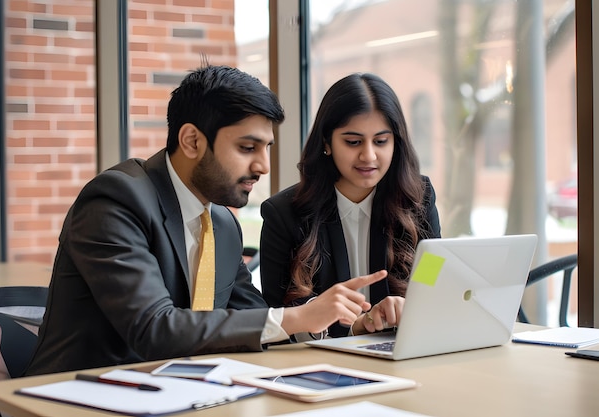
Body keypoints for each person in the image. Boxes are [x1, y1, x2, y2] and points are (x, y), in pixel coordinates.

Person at [25, 64, 387, 376]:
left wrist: (321, 320)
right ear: (192, 141)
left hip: (176, 394)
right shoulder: (115, 201)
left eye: (266, 148)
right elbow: (154, 329)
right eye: (248, 148)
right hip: (75, 398)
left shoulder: (222, 225)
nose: (263, 166)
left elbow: (255, 322)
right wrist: (296, 317)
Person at [260, 72, 441, 339]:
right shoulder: (284, 214)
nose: (368, 155)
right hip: (319, 364)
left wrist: (411, 307)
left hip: (401, 351)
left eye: (381, 141)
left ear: (396, 142)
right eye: (353, 142)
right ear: (326, 143)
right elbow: (278, 319)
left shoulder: (419, 199)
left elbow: (432, 275)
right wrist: (356, 326)